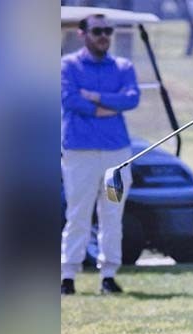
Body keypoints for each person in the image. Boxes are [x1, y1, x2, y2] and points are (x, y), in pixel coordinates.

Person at [61, 14, 140, 295]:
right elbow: (69, 98)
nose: (104, 36)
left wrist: (94, 97)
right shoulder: (67, 66)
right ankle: (67, 274)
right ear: (83, 34)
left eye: (108, 31)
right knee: (78, 214)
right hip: (79, 152)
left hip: (115, 155)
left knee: (112, 214)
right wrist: (107, 106)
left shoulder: (123, 66)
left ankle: (108, 275)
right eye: (97, 31)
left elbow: (131, 98)